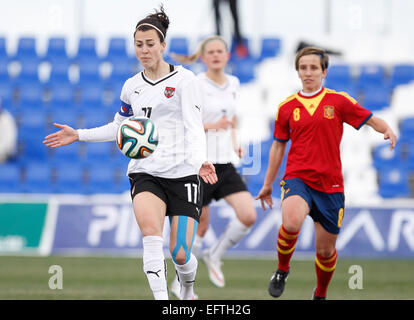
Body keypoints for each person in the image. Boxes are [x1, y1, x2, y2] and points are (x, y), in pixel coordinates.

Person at [43, 6, 218, 300]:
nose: (144, 50)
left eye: (150, 44)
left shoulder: (186, 81)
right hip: (145, 171)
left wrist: (200, 160)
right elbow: (119, 127)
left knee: (180, 253)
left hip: (183, 172)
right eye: (139, 45)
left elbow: (194, 126)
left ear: (163, 46)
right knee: (151, 236)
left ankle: (186, 289)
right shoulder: (131, 87)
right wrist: (79, 135)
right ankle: (163, 302)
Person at [255, 46, 397, 300]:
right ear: (297, 71)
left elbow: (368, 118)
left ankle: (320, 294)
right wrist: (267, 183)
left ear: (324, 71)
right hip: (298, 178)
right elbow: (278, 146)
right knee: (291, 222)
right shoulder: (287, 107)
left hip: (331, 185)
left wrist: (385, 128)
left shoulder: (338, 101)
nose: (308, 73)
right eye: (303, 68)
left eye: (313, 68)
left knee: (325, 251)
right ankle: (282, 270)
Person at [169, 36, 257, 298]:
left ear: (227, 55)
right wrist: (211, 127)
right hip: (200, 163)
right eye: (211, 52)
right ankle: (182, 283)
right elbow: (183, 122)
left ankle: (214, 255)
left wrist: (235, 142)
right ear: (203, 57)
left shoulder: (234, 83)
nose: (216, 55)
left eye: (221, 51)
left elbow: (231, 119)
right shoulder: (195, 84)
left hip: (225, 163)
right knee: (201, 226)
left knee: (248, 215)